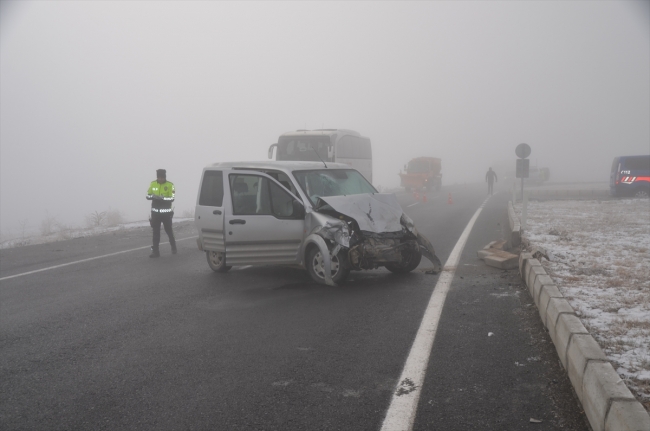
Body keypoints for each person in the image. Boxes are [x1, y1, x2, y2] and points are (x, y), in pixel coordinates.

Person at [146, 169, 176, 257]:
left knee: (169, 231)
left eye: (162, 177)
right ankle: (155, 251)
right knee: (155, 233)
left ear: (165, 177)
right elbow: (147, 196)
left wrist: (163, 198)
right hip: (155, 213)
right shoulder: (152, 184)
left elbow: (172, 198)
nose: (160, 179)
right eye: (159, 177)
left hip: (166, 214)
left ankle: (173, 247)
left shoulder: (170, 185)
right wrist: (153, 197)